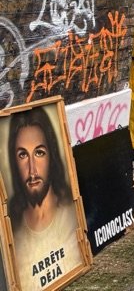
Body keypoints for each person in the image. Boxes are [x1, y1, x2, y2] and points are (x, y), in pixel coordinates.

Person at [8, 107, 85, 291]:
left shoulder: (71, 215)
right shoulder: (13, 232)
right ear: (14, 162)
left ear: (52, 155)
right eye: (23, 155)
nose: (32, 170)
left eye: (39, 152)